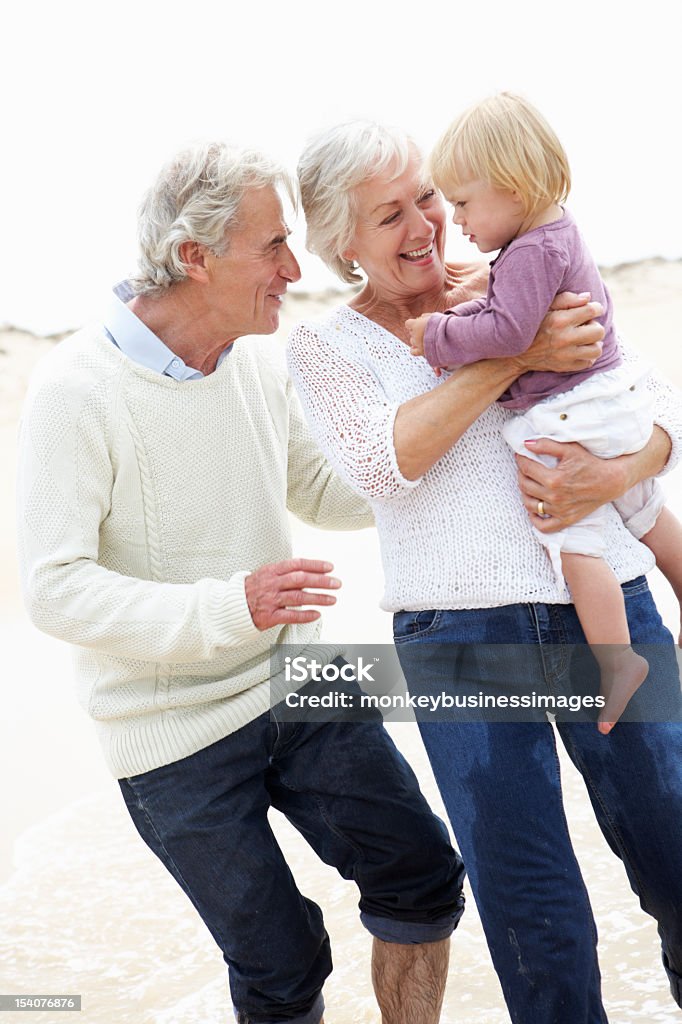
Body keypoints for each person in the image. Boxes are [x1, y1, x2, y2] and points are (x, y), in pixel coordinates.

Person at [15, 140, 468, 1024]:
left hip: (301, 678)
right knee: (280, 964)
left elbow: (332, 488)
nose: (295, 270)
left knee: (422, 878)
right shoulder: (74, 390)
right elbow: (54, 589)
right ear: (195, 255)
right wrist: (232, 605)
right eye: (272, 247)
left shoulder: (257, 363)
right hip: (166, 729)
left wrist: (460, 408)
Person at [287, 119, 682, 1024]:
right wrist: (515, 349)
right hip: (456, 634)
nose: (424, 222)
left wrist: (616, 473)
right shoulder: (323, 348)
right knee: (533, 910)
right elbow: (391, 462)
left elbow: (655, 402)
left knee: (678, 855)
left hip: (603, 606)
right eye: (389, 215)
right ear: (341, 244)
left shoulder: (517, 272)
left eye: (426, 195)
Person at [404, 92, 682, 733]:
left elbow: (508, 332)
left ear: (513, 187)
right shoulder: (553, 234)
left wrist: (437, 337)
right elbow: (510, 313)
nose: (457, 218)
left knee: (574, 540)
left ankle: (618, 664)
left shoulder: (531, 251)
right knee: (643, 508)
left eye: (465, 202)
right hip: (608, 403)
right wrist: (465, 313)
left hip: (570, 414)